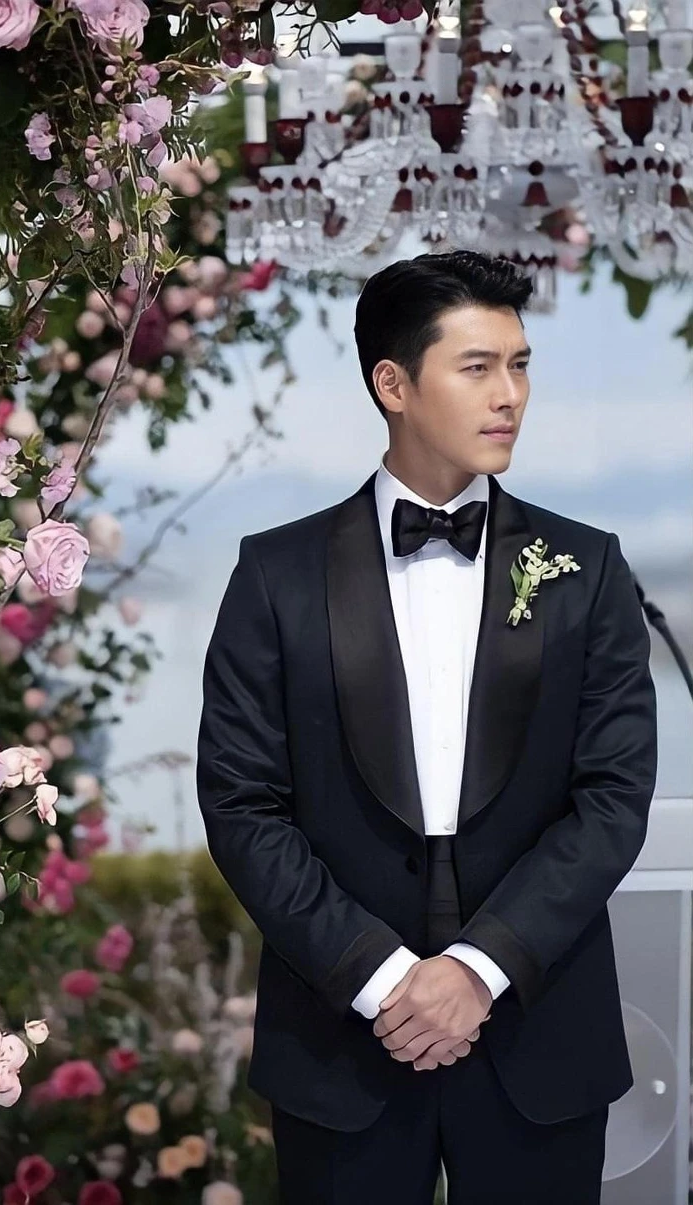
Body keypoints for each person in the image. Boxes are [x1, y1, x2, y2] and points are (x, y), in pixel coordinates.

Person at [195, 250, 658, 1204]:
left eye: (520, 365)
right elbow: (241, 804)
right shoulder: (276, 575)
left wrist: (480, 970)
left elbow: (613, 798)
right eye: (477, 366)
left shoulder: (588, 568)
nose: (510, 395)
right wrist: (378, 977)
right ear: (393, 384)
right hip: (343, 1033)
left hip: (538, 1025)